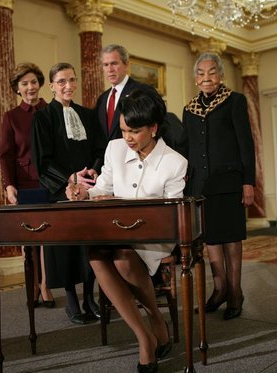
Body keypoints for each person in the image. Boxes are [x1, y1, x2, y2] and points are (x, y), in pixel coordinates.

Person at [67, 87, 186, 373]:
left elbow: (172, 215)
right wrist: (85, 194)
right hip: (115, 231)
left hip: (152, 238)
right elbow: (103, 189)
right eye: (123, 131)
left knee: (121, 258)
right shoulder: (115, 149)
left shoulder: (175, 163)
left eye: (134, 131)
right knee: (96, 255)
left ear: (154, 128)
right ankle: (145, 335)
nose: (127, 138)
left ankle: (155, 317)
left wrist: (128, 207)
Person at [182, 52, 255, 321]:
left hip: (230, 181)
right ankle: (220, 288)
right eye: (201, 73)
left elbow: (246, 144)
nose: (206, 78)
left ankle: (235, 291)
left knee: (231, 238)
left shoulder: (235, 101)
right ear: (195, 78)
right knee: (211, 238)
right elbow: (187, 148)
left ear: (221, 75)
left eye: (212, 72)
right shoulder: (189, 109)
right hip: (200, 185)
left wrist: (249, 182)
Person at [31, 62, 106, 324]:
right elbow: (43, 161)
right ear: (51, 86)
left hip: (87, 189)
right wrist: (70, 178)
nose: (68, 86)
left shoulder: (87, 115)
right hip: (60, 190)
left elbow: (100, 150)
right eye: (61, 81)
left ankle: (90, 297)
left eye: (72, 80)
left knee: (89, 244)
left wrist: (93, 172)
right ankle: (72, 300)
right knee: (67, 247)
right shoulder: (42, 118)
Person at [0, 62, 54, 308]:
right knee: (29, 238)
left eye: (33, 82)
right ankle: (32, 284)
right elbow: (5, 155)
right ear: (17, 89)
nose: (30, 87)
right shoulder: (10, 117)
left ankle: (45, 285)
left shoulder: (52, 111)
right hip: (24, 184)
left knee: (48, 237)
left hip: (51, 182)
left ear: (40, 84)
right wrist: (9, 185)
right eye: (24, 84)